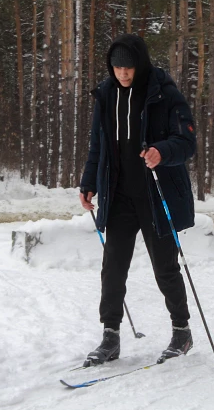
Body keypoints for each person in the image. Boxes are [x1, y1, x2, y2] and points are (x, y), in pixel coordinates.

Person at [79, 33, 197, 366]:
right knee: (112, 268)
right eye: (117, 68)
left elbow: (187, 141)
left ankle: (181, 332)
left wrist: (163, 151)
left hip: (155, 194)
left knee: (165, 267)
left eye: (128, 67)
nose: (123, 74)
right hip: (118, 195)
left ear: (139, 63)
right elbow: (97, 147)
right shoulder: (105, 95)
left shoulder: (162, 91)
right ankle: (110, 337)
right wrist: (89, 183)